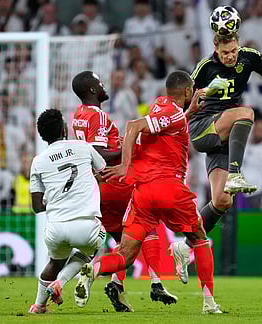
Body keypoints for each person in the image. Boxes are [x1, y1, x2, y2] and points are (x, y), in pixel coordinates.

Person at [73, 71, 221, 314]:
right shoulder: (169, 112)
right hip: (170, 188)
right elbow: (133, 126)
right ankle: (209, 303)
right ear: (186, 91)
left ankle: (94, 270)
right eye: (191, 89)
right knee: (200, 238)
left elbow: (168, 125)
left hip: (142, 193)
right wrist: (124, 164)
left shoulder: (159, 106)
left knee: (126, 252)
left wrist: (190, 113)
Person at [170, 26, 262, 281]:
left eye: (233, 51)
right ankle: (236, 173)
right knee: (247, 113)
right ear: (216, 49)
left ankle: (184, 246)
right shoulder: (204, 68)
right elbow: (180, 106)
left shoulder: (248, 57)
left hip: (224, 135)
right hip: (202, 129)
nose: (230, 56)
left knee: (223, 201)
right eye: (225, 53)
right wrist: (205, 92)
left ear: (238, 46)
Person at [70, 71, 177, 311]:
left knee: (123, 242)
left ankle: (117, 285)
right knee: (146, 224)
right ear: (92, 90)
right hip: (116, 182)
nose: (103, 85)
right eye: (99, 82)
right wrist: (130, 148)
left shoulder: (78, 115)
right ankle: (156, 281)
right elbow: (96, 152)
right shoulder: (97, 116)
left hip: (98, 190)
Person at [28, 109, 106, 314]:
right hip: (86, 226)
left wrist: (57, 202)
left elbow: (37, 207)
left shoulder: (38, 161)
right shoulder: (83, 147)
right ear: (65, 129)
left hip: (55, 229)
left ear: (42, 135)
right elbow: (102, 168)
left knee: (55, 262)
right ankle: (60, 283)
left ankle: (38, 306)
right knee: (97, 243)